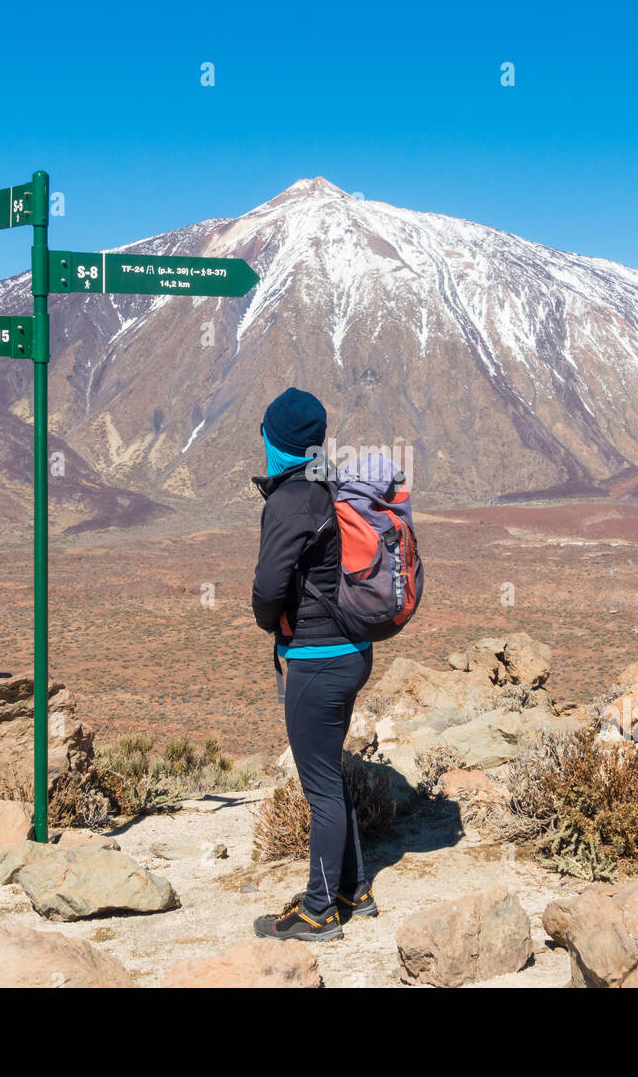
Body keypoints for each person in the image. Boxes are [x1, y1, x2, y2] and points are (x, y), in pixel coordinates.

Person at [250, 387, 377, 941]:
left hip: (317, 659)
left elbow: (267, 590)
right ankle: (354, 888)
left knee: (320, 787)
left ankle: (320, 910)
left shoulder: (290, 500)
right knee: (330, 774)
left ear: (276, 441)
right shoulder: (332, 485)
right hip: (353, 652)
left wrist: (267, 619)